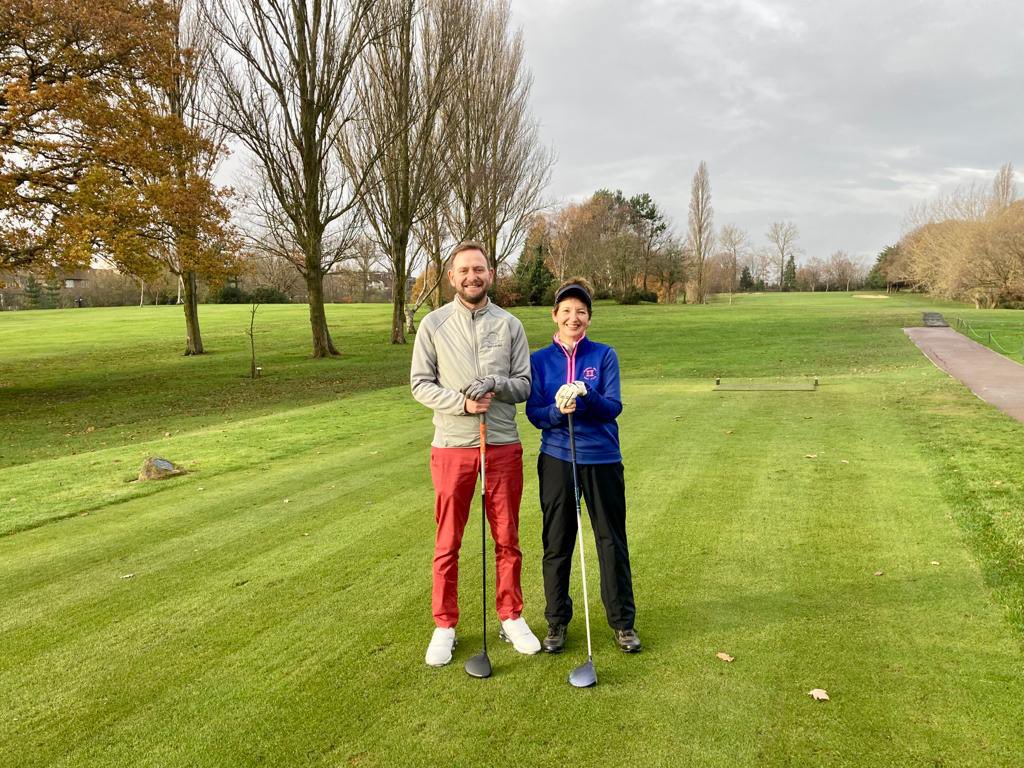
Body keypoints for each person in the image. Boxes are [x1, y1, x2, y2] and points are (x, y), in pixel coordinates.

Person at [410, 241, 542, 667]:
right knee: (448, 540)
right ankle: (445, 625)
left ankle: (511, 616)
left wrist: (495, 383)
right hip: (452, 446)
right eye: (464, 270)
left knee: (507, 537)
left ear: (491, 274)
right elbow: (420, 384)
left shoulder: (509, 325)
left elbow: (524, 384)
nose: (472, 276)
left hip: (502, 442)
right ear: (452, 277)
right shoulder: (433, 324)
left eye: (479, 269)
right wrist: (462, 403)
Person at [526, 277, 641, 654]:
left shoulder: (604, 355)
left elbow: (613, 408)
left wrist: (586, 396)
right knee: (557, 543)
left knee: (611, 540)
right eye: (567, 311)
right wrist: (558, 411)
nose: (573, 317)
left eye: (581, 311)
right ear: (554, 316)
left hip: (602, 458)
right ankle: (556, 621)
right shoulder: (540, 361)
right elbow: (534, 414)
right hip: (558, 457)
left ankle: (622, 623)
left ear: (589, 318)